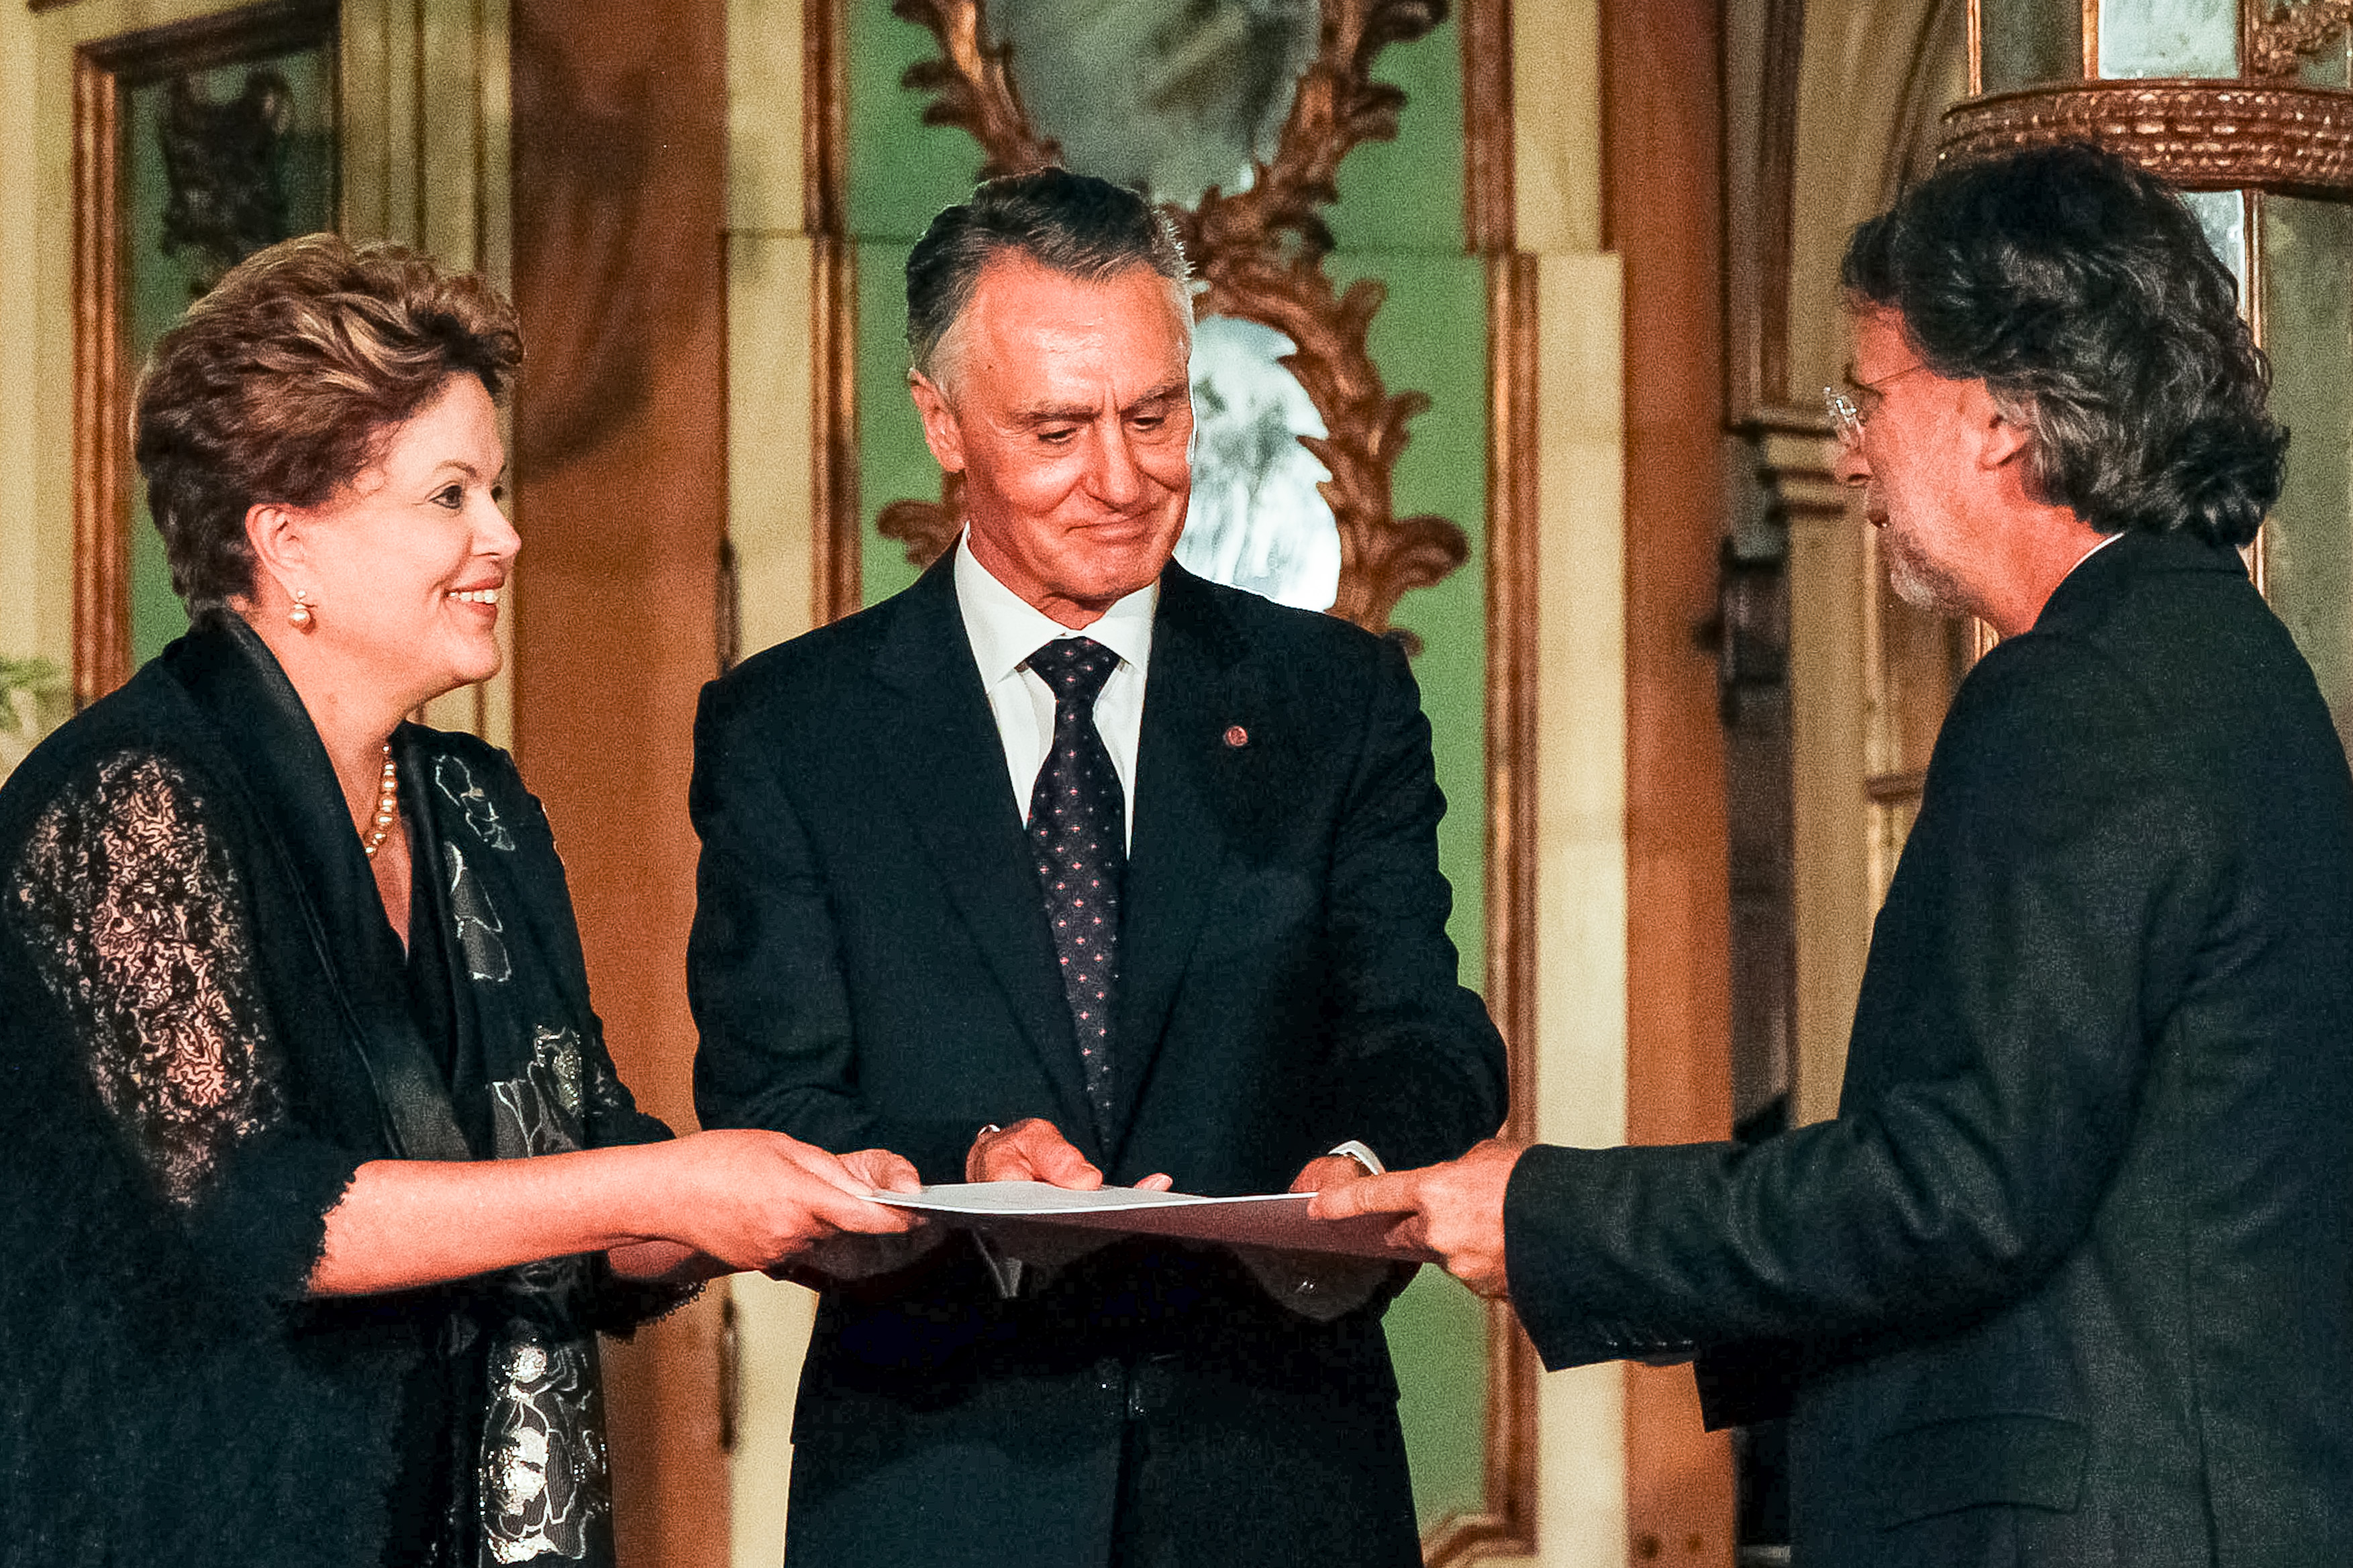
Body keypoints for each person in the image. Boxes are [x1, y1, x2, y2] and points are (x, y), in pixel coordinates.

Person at [1319, 142, 2353, 1567]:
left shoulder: (2081, 691)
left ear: (1997, 412)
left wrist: (1555, 1216)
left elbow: (1958, 1186)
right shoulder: (2216, 661)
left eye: (1866, 396)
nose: (1847, 446)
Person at [0, 234, 922, 1568]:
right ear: (285, 540)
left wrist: (805, 1197)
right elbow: (268, 1213)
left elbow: (590, 1184)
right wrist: (664, 1178)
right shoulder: (127, 797)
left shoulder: (475, 806)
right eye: (449, 495)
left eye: (495, 487)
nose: (506, 534)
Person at [688, 167, 1508, 1568]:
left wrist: (1358, 1167)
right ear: (940, 423)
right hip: (938, 1489)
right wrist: (964, 1166)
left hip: (1278, 1480)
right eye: (1057, 429)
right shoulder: (793, 729)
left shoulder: (1332, 699)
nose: (1123, 479)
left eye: (1156, 414)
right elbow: (769, 1094)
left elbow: (1421, 1028)